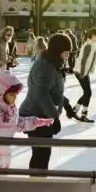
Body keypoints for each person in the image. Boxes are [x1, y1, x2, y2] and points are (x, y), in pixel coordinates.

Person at [19, 33, 71, 170]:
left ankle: (38, 182)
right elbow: (41, 94)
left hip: (43, 114)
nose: (68, 56)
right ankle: (36, 185)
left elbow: (52, 91)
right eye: (66, 52)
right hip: (36, 115)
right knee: (41, 154)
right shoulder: (45, 66)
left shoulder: (53, 62)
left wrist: (65, 103)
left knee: (42, 153)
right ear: (58, 50)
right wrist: (54, 117)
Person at [74, 28, 96, 123]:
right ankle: (82, 114)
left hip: (83, 72)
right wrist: (83, 73)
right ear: (93, 36)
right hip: (80, 71)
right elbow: (83, 60)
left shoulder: (93, 44)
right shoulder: (89, 45)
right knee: (88, 93)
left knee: (87, 93)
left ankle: (75, 110)